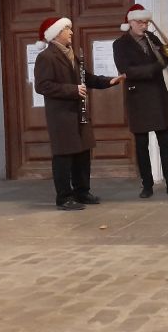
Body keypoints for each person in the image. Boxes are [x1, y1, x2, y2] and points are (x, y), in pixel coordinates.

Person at [34, 17, 124, 211]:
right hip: (62, 116)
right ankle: (64, 197)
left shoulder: (72, 55)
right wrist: (72, 90)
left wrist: (110, 81)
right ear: (56, 33)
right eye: (67, 29)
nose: (71, 32)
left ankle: (82, 191)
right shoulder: (46, 57)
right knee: (64, 157)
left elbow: (87, 78)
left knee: (83, 153)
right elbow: (42, 86)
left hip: (78, 114)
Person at [113, 3, 168, 199]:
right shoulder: (120, 44)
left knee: (166, 142)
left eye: (146, 22)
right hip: (138, 98)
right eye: (140, 22)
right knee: (141, 144)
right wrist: (156, 66)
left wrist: (166, 51)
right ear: (130, 22)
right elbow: (127, 71)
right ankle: (146, 185)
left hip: (157, 95)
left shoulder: (152, 37)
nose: (144, 25)